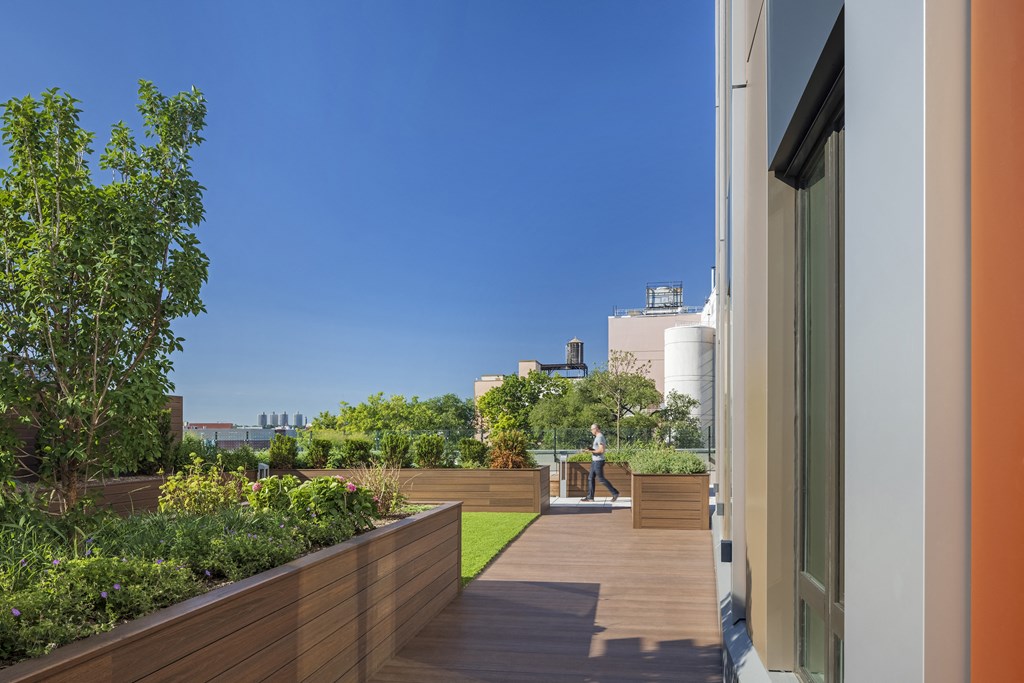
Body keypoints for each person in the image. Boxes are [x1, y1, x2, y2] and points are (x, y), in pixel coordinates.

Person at [581, 423, 619, 502]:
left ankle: (615, 493)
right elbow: (596, 449)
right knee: (590, 478)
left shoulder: (600, 437)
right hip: (595, 460)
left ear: (596, 429)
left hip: (598, 461)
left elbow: (601, 450)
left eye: (592, 429)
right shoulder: (597, 437)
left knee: (601, 479)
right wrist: (590, 450)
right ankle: (590, 497)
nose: (591, 431)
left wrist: (590, 451)